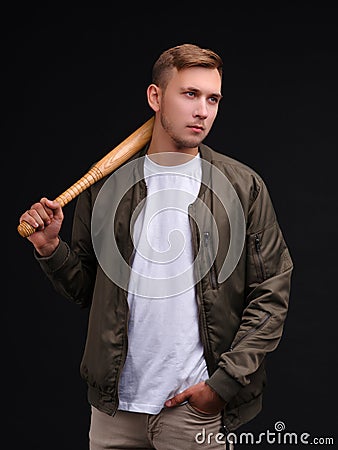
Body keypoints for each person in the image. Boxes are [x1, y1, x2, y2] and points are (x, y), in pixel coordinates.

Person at [19, 43, 293, 449]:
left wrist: (222, 384)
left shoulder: (243, 187)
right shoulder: (107, 190)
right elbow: (87, 291)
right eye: (189, 94)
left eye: (213, 98)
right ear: (155, 96)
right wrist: (51, 248)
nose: (203, 110)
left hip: (193, 410)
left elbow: (271, 296)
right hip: (114, 411)